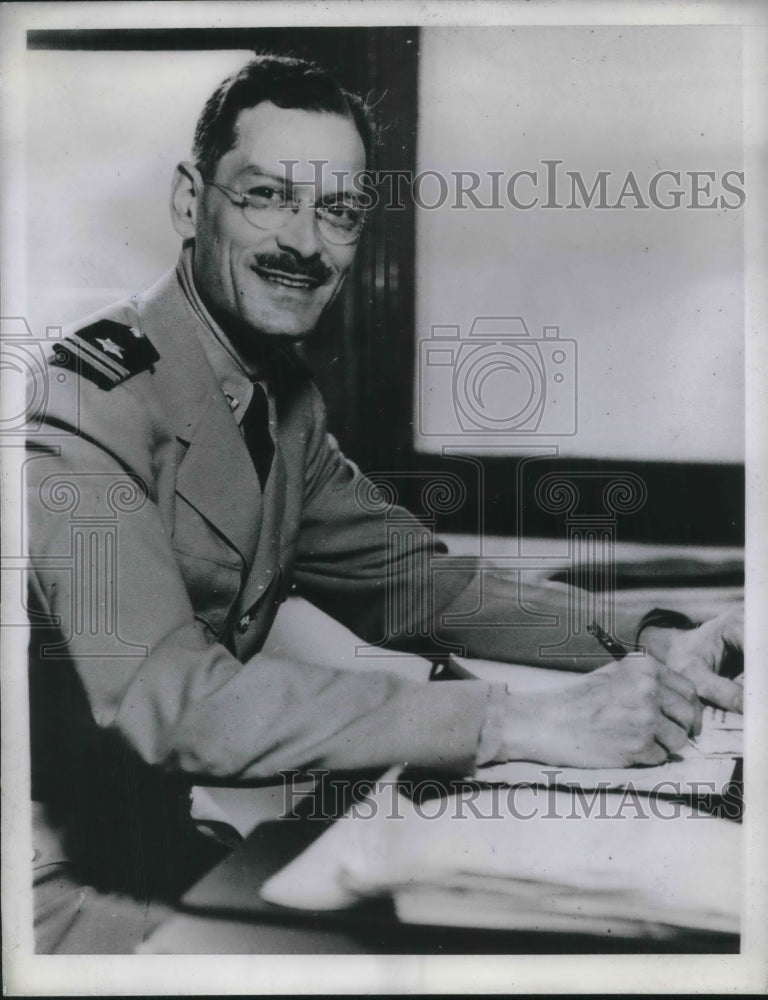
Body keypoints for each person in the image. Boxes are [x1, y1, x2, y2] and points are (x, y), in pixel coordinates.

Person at [25, 54, 743, 953]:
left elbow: (419, 584)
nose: (303, 242)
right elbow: (173, 701)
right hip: (44, 888)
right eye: (267, 196)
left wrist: (652, 633)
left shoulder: (277, 401)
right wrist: (518, 721)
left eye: (338, 210)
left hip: (159, 847)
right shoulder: (83, 404)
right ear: (189, 200)